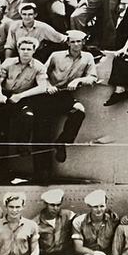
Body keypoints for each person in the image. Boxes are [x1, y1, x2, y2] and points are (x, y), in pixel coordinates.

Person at [36, 30, 99, 170]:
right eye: (73, 41)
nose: (76, 44)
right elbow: (41, 74)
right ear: (68, 43)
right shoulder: (56, 56)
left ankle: (62, 142)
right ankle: (42, 174)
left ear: (83, 42)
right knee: (42, 132)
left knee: (79, 111)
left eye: (79, 41)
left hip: (64, 95)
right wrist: (48, 86)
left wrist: (79, 80)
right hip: (47, 96)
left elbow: (93, 77)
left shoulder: (88, 57)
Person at [0, 38, 50, 167]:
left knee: (28, 117)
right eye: (23, 49)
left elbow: (42, 87)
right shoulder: (8, 63)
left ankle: (22, 146)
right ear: (18, 50)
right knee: (0, 129)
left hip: (24, 97)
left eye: (29, 49)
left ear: (34, 51)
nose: (25, 52)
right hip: (4, 98)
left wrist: (20, 96)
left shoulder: (39, 66)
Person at [3, 2, 68, 61]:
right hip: (19, 54)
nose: (27, 17)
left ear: (35, 15)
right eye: (24, 14)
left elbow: (60, 38)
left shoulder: (43, 27)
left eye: (30, 14)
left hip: (37, 55)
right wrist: (7, 61)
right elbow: (9, 45)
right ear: (20, 15)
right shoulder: (14, 26)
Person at [72, 190, 120, 255]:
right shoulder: (79, 222)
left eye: (102, 206)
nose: (99, 210)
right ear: (89, 206)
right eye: (95, 207)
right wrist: (94, 253)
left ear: (106, 206)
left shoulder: (113, 220)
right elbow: (78, 248)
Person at [35, 189, 75, 255]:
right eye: (52, 205)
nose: (55, 208)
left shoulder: (67, 215)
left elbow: (80, 221)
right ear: (45, 204)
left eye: (58, 205)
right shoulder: (36, 223)